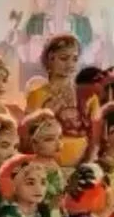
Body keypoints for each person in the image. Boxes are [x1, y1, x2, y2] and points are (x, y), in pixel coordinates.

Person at [25, 35, 87, 168]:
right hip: (49, 164)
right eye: (64, 58)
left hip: (83, 163)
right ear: (50, 59)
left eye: (75, 59)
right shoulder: (37, 96)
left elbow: (95, 133)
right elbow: (27, 138)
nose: (70, 64)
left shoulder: (84, 94)